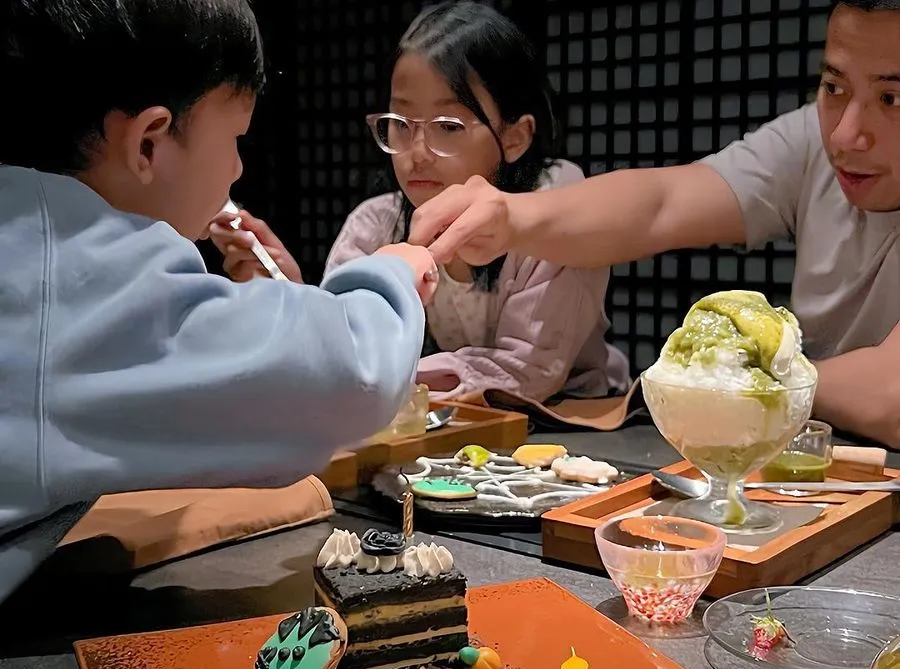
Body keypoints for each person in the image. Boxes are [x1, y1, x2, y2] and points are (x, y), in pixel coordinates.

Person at [0, 0, 437, 603]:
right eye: (235, 139)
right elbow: (352, 374)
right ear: (148, 143)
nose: (237, 168)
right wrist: (392, 273)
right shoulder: (68, 278)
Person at [408, 0, 900, 448]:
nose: (845, 134)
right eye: (834, 87)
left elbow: (890, 395)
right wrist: (512, 216)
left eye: (891, 99)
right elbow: (663, 203)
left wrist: (727, 373)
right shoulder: (810, 138)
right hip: (805, 455)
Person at [212, 2, 630, 403]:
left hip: (576, 414)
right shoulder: (377, 223)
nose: (417, 153)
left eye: (447, 126)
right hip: (461, 419)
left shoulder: (551, 207)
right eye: (401, 123)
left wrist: (379, 370)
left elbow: (529, 371)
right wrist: (294, 294)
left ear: (514, 137)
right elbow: (342, 352)